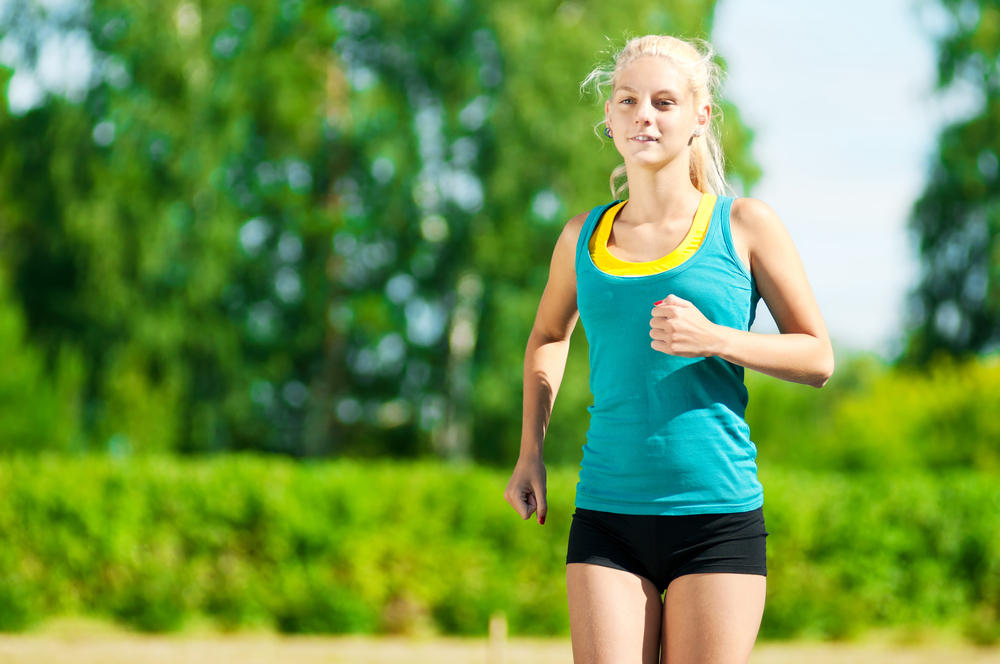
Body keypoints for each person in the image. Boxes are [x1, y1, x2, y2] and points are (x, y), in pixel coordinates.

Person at [503, 35, 834, 664]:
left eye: (663, 102)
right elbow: (548, 336)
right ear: (609, 116)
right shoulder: (581, 237)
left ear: (700, 115)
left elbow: (818, 358)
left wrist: (716, 339)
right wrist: (530, 453)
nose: (643, 116)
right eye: (628, 101)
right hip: (606, 512)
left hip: (717, 518)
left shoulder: (745, 226)